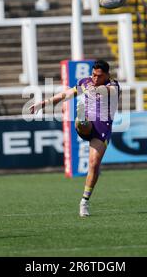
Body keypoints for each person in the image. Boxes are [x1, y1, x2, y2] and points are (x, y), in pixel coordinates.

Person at [30, 60, 120, 217]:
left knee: (93, 164)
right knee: (83, 123)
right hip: (88, 124)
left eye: (99, 76)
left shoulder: (113, 86)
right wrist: (43, 104)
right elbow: (66, 94)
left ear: (107, 75)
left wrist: (93, 89)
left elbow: (108, 92)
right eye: (93, 75)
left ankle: (84, 201)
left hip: (102, 127)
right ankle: (81, 117)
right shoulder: (85, 82)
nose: (95, 78)